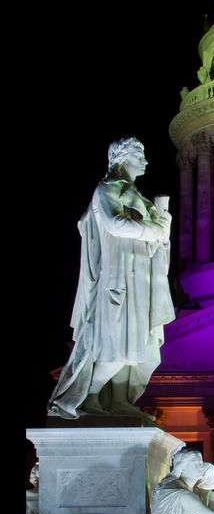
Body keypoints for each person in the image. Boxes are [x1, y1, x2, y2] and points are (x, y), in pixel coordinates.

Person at [47, 138, 175, 420]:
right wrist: (153, 230)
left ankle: (118, 400)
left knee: (140, 348)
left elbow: (155, 241)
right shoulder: (106, 189)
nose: (146, 161)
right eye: (139, 155)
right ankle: (90, 395)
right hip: (119, 278)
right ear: (121, 158)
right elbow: (114, 223)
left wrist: (163, 229)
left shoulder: (138, 196)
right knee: (118, 344)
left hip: (141, 279)